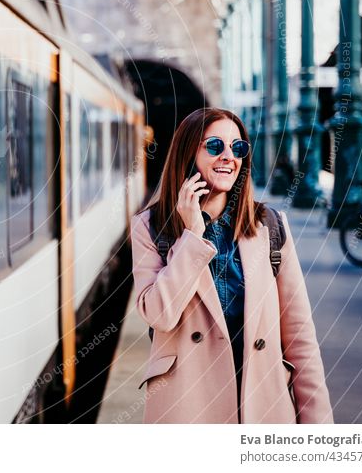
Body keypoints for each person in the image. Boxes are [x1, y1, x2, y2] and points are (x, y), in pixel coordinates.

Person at [131, 108, 333, 424]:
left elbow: (301, 341)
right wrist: (192, 235)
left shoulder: (269, 225)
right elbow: (159, 314)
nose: (228, 156)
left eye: (237, 148)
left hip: (262, 409)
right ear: (188, 152)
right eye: (215, 146)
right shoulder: (150, 226)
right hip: (188, 410)